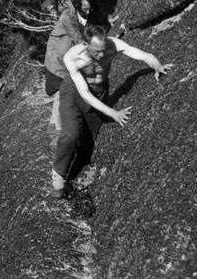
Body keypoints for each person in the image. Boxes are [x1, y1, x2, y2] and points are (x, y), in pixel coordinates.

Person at [51, 24, 170, 196]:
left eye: (103, 49)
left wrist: (156, 65)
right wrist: (113, 113)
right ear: (85, 45)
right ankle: (58, 179)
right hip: (73, 92)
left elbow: (139, 53)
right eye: (96, 51)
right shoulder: (73, 58)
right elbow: (84, 93)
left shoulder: (112, 45)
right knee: (71, 134)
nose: (101, 54)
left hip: (99, 91)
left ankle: (77, 172)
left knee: (89, 137)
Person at [44, 0, 94, 130]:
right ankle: (57, 130)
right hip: (58, 62)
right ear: (78, 5)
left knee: (68, 94)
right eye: (85, 9)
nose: (89, 12)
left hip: (67, 58)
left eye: (90, 8)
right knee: (61, 94)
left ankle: (59, 127)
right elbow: (79, 40)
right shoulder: (68, 17)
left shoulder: (84, 14)